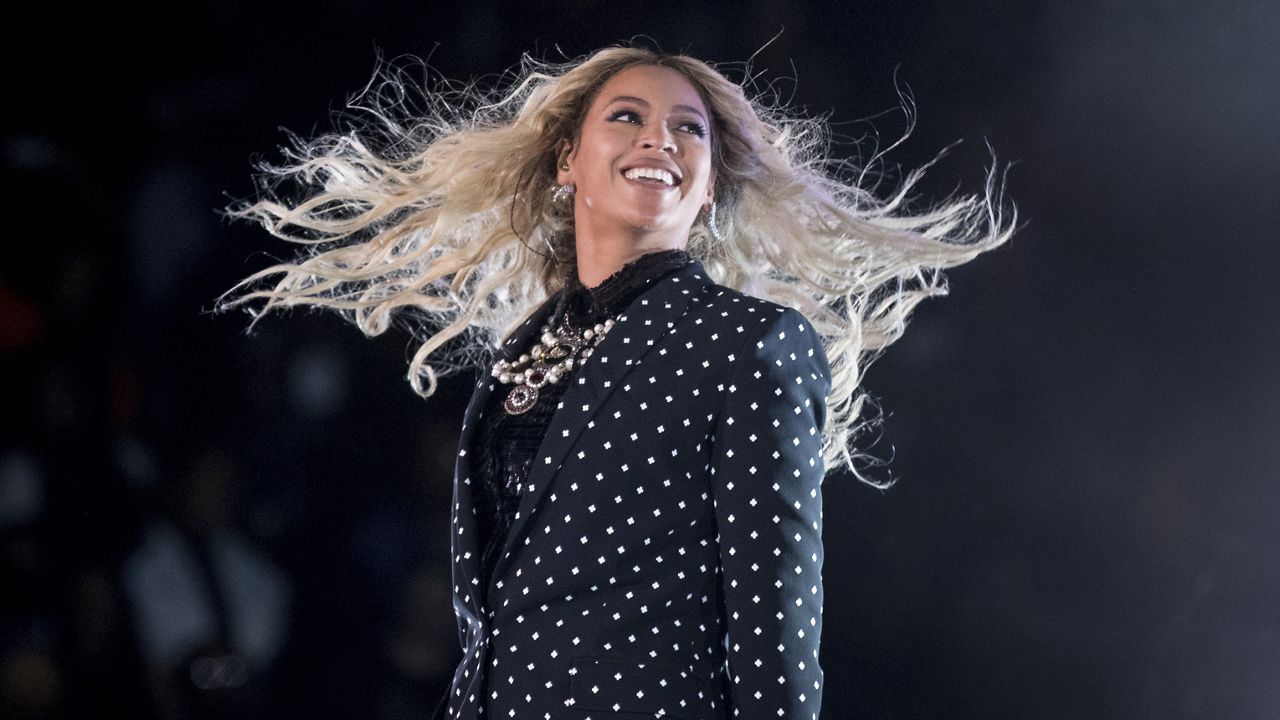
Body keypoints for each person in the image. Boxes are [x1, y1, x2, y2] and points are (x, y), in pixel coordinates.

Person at [219, 45, 1012, 720]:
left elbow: (777, 627)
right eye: (627, 116)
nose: (658, 139)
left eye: (687, 129)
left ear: (708, 188)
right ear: (569, 159)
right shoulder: (521, 351)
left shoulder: (748, 342)